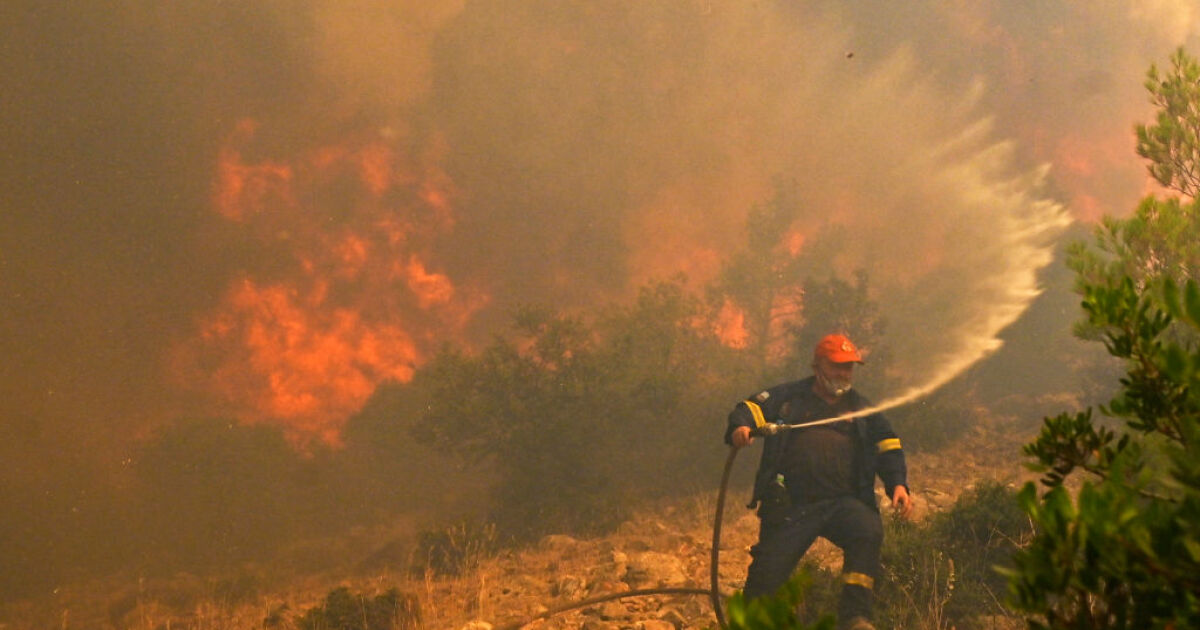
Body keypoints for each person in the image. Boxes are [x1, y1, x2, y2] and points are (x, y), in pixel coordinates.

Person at [724, 333, 912, 630]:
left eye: (849, 367)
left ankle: (854, 618)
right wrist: (741, 427)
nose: (844, 373)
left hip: (843, 503)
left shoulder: (861, 408)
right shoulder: (789, 398)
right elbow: (749, 408)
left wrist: (898, 484)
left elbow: (888, 444)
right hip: (792, 506)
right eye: (837, 366)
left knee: (867, 530)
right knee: (767, 574)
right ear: (817, 366)